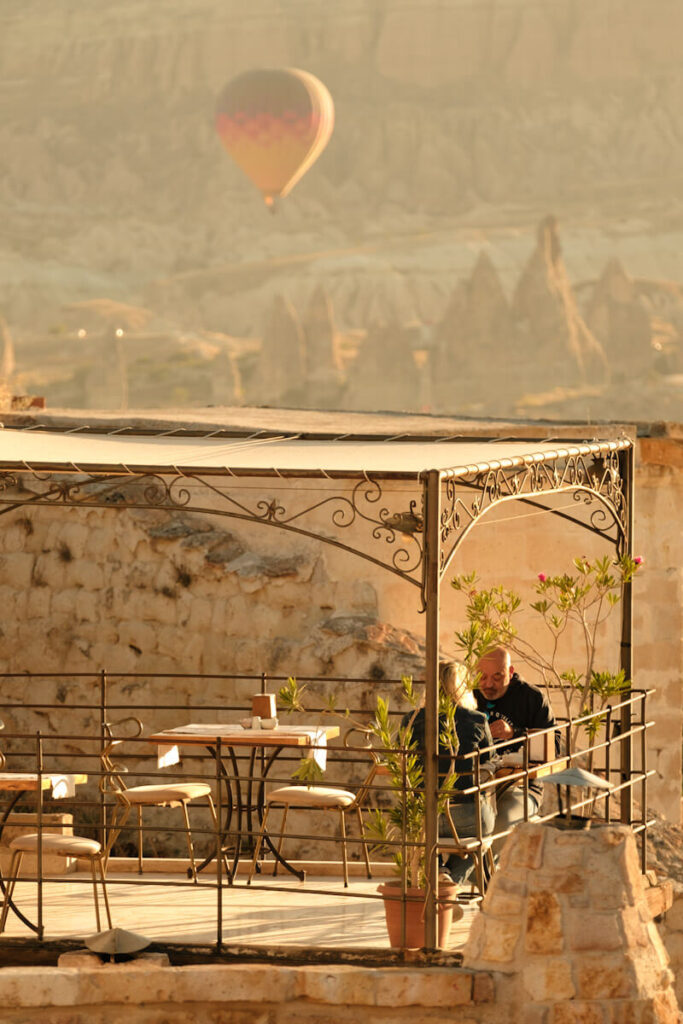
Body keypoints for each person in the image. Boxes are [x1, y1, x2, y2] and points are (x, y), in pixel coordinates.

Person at [403, 660, 499, 884]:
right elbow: (489, 760)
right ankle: (451, 880)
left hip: (426, 814)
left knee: (425, 837)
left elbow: (405, 760)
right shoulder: (476, 720)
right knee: (486, 831)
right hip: (468, 815)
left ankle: (439, 872)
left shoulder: (411, 720)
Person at [474, 646, 557, 853]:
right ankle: (472, 878)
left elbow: (554, 745)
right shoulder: (469, 695)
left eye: (497, 676)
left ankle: (485, 881)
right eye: (482, 677)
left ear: (510, 673)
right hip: (475, 785)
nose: (488, 684)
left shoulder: (531, 698)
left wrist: (515, 734)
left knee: (501, 820)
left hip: (522, 786)